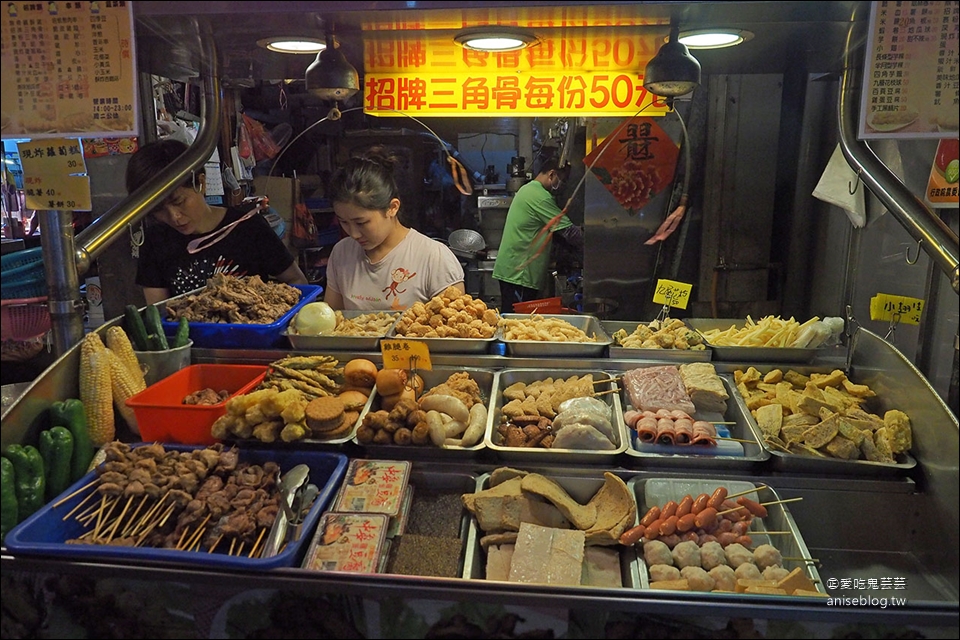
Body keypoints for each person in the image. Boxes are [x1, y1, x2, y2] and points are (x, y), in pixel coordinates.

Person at [126, 138, 307, 305]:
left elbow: (297, 281)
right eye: (158, 210)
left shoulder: (249, 227)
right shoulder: (156, 241)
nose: (174, 217)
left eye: (179, 202)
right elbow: (158, 311)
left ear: (201, 183)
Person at [324, 154, 465, 311]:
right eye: (343, 222)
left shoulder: (434, 257)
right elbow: (331, 323)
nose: (353, 234)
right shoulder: (341, 253)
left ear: (392, 208)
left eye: (361, 223)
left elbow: (455, 325)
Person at [492, 157, 584, 312]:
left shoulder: (528, 189)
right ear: (551, 174)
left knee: (516, 323)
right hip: (519, 275)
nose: (563, 186)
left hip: (515, 271)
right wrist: (598, 240)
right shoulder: (540, 196)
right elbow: (570, 233)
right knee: (517, 325)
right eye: (562, 180)